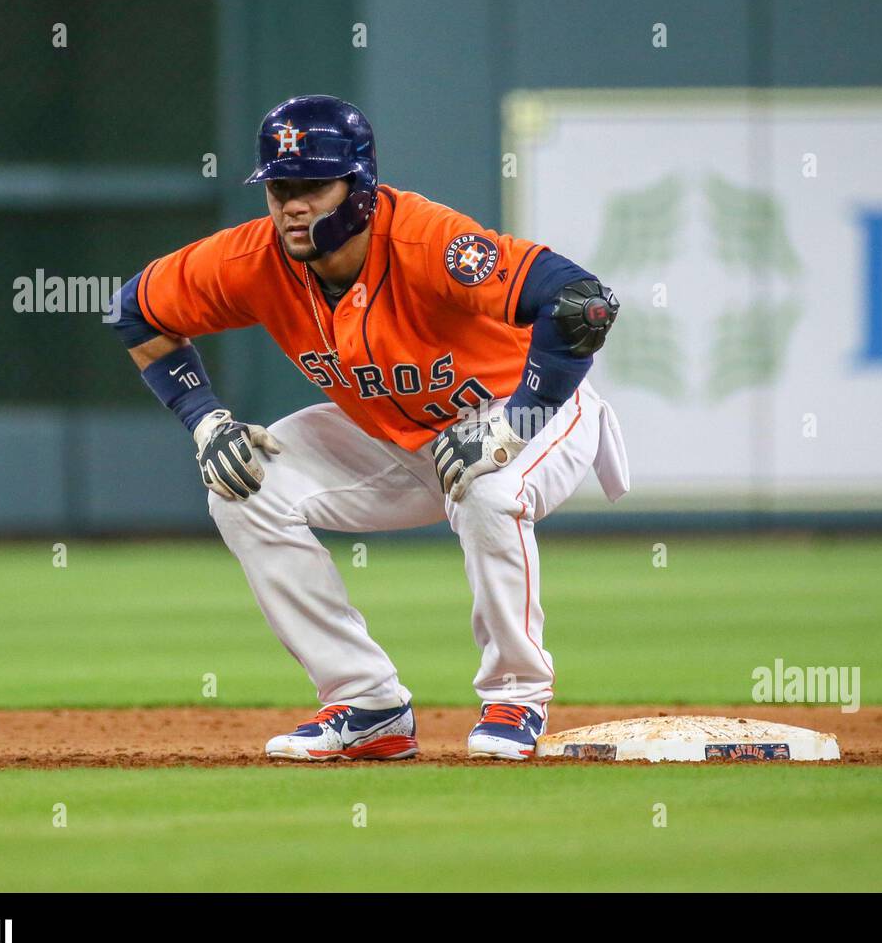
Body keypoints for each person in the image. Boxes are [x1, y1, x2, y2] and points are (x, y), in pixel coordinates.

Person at [111, 95, 628, 760]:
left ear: (358, 188)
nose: (291, 205)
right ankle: (367, 704)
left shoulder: (426, 242)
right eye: (279, 188)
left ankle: (516, 698)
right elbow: (134, 310)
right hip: (395, 437)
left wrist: (515, 424)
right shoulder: (254, 258)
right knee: (243, 486)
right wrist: (204, 419)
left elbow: (585, 303)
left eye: (311, 186)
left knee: (490, 490)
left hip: (525, 412)